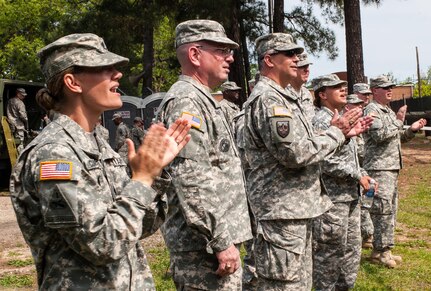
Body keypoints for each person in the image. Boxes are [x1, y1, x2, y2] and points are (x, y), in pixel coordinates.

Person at [9, 33, 191, 290]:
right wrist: (141, 179)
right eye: (104, 68)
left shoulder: (98, 144)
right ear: (72, 82)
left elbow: (138, 227)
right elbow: (103, 244)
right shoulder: (54, 153)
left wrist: (154, 175)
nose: (117, 74)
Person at [242, 33, 372, 290]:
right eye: (289, 55)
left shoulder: (283, 99)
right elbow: (296, 154)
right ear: (268, 60)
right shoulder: (269, 100)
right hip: (281, 215)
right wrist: (336, 133)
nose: (296, 59)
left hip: (296, 211)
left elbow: (306, 143)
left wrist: (342, 136)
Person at [156, 19, 252, 290]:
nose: (230, 57)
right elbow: (191, 180)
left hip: (210, 243)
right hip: (203, 248)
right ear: (195, 55)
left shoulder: (203, 100)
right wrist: (221, 240)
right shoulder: (187, 102)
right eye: (220, 50)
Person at [311, 77, 375, 290]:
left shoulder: (342, 118)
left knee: (351, 251)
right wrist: (358, 175)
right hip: (332, 199)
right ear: (322, 94)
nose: (343, 89)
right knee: (330, 256)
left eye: (343, 86)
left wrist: (362, 173)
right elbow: (325, 161)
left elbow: (352, 157)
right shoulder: (321, 120)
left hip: (350, 197)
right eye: (336, 87)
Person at [363, 75, 426, 268]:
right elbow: (380, 136)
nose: (390, 90)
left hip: (391, 167)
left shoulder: (387, 112)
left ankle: (383, 249)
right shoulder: (372, 110)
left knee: (390, 210)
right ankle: (381, 251)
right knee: (382, 210)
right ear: (375, 91)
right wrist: (399, 121)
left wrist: (411, 130)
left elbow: (396, 138)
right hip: (379, 168)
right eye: (385, 87)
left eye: (391, 87)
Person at [346, 93, 375, 249]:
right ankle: (367, 234)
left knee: (366, 204)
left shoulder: (359, 126)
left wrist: (363, 174)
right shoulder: (343, 128)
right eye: (356, 105)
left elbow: (356, 158)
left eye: (361, 105)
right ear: (347, 107)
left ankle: (367, 234)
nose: (360, 107)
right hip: (347, 179)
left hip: (361, 172)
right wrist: (359, 175)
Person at [286, 52, 315, 121]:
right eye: (302, 67)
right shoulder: (283, 92)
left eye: (307, 66)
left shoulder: (306, 93)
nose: (307, 70)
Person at [7, 88, 29, 153]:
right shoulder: (20, 103)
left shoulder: (10, 101)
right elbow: (23, 116)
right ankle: (20, 159)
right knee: (20, 143)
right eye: (22, 95)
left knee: (13, 143)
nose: (24, 96)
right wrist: (26, 121)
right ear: (18, 94)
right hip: (18, 125)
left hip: (10, 124)